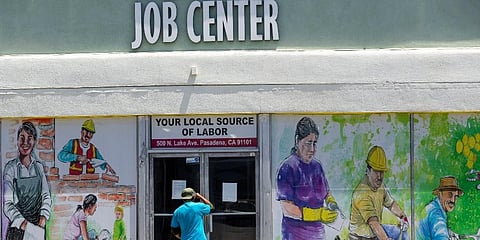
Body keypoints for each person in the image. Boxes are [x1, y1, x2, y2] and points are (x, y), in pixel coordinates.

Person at [276, 116, 338, 240]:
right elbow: (287, 208)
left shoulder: (317, 166)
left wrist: (332, 202)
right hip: (295, 235)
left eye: (314, 143)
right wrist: (317, 214)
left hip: (318, 234)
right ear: (297, 141)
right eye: (308, 143)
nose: (312, 149)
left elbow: (326, 193)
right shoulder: (287, 168)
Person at [3, 121, 52, 240]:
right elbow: (7, 203)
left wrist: (44, 216)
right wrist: (22, 222)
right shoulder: (11, 168)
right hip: (19, 228)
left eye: (29, 138)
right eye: (22, 138)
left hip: (37, 227)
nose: (25, 143)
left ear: (34, 141)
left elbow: (46, 195)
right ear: (17, 141)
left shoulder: (39, 168)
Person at [349, 146, 409, 240]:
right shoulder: (361, 193)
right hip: (360, 237)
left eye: (381, 172)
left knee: (400, 233)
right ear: (368, 171)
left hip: (373, 235)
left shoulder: (380, 187)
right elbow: (373, 223)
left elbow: (391, 204)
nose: (379, 176)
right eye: (376, 171)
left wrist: (402, 217)